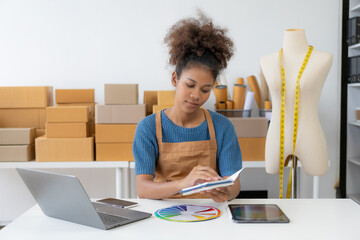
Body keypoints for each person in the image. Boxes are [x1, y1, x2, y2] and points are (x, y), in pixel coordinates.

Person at [133, 12, 242, 203]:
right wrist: (184, 184)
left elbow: (234, 186)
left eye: (205, 89)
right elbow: (142, 188)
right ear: (175, 79)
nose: (196, 96)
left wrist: (226, 192)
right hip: (163, 215)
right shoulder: (148, 127)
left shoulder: (222, 127)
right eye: (190, 85)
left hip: (211, 213)